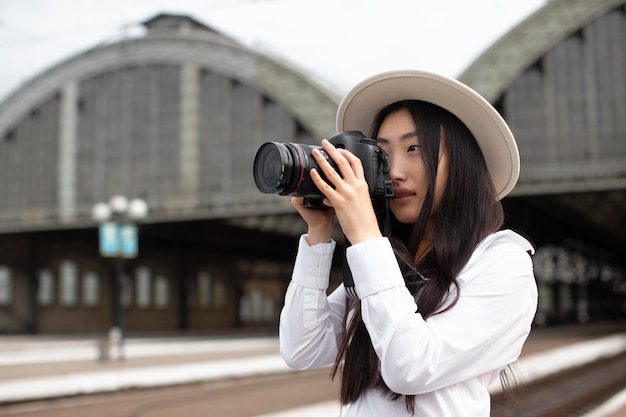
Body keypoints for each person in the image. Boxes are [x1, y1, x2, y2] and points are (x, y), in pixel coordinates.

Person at [278, 69, 538, 417]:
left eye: (415, 148)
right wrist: (318, 233)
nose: (395, 170)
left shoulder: (503, 263)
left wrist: (365, 234)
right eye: (383, 155)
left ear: (461, 163)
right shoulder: (387, 261)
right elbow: (302, 347)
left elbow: (411, 367)